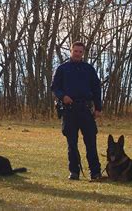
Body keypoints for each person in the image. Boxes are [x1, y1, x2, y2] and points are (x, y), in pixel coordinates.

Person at [51, 41, 102, 181]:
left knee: (91, 142)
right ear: (71, 51)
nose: (78, 54)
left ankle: (95, 172)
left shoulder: (89, 69)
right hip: (69, 110)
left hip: (86, 110)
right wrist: (63, 96)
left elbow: (97, 89)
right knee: (72, 144)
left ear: (83, 53)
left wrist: (98, 108)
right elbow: (54, 87)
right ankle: (74, 172)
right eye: (75, 51)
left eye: (80, 51)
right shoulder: (62, 69)